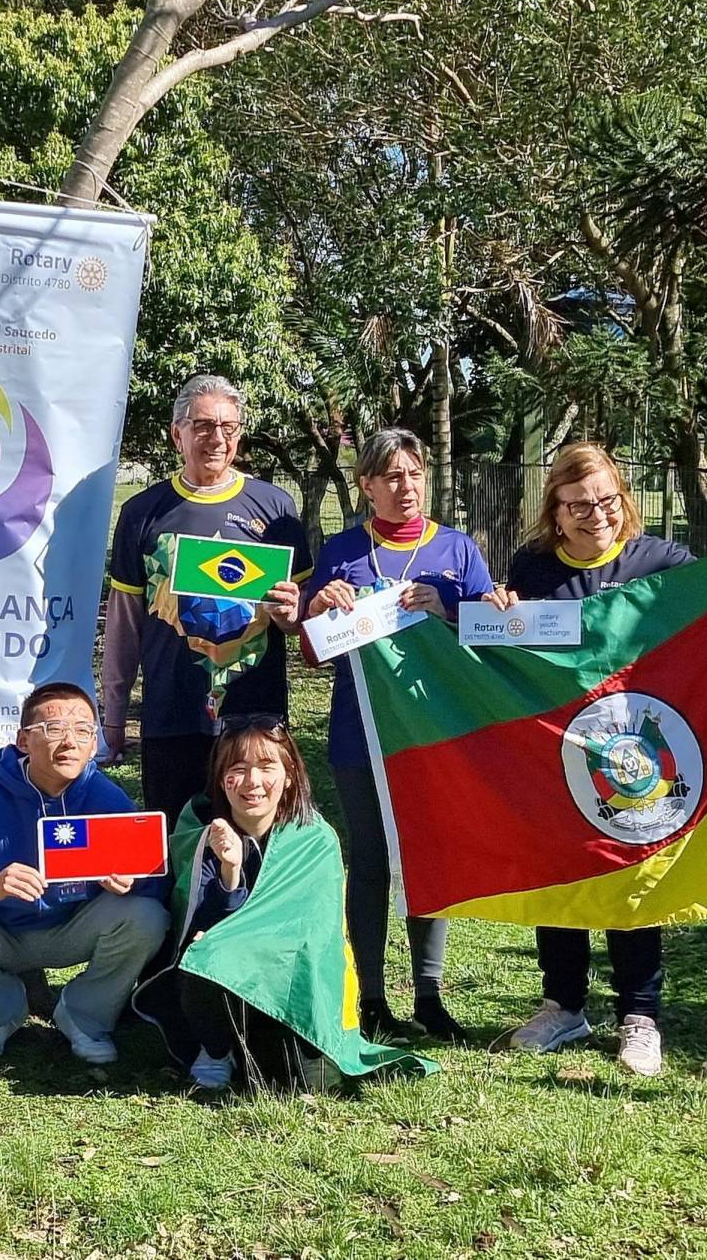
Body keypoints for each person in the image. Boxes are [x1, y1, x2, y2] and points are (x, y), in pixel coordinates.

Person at [488, 443, 707, 1077]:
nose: (593, 514)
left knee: (635, 873)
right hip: (562, 748)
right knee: (561, 868)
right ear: (556, 509)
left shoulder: (662, 561)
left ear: (621, 497)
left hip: (643, 750)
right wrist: (498, 613)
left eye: (605, 500)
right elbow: (513, 653)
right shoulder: (534, 568)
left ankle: (640, 1016)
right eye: (577, 505)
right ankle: (563, 1005)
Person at [302, 428, 501, 1045]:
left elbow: (491, 637)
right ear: (365, 487)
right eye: (390, 476)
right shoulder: (341, 551)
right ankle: (369, 996)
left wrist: (451, 609)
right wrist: (316, 609)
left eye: (414, 473)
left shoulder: (459, 550)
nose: (405, 486)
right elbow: (312, 653)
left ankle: (430, 995)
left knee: (426, 853)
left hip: (433, 729)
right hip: (360, 728)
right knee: (369, 858)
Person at [0, 682, 170, 1066]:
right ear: (24, 741)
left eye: (83, 730)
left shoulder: (106, 798)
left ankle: (83, 1016)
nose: (70, 742)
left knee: (147, 917)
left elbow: (158, 879)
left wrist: (133, 881)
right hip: (1, 934)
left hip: (72, 928)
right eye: (54, 729)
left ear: (94, 743)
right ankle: (0, 1013)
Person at [103, 375, 309, 816]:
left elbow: (301, 617)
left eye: (229, 427)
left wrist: (293, 613)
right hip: (171, 717)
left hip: (255, 717)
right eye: (203, 426)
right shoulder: (142, 513)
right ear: (177, 434)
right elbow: (124, 627)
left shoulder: (276, 509)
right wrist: (114, 714)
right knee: (177, 849)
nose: (217, 438)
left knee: (253, 847)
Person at [133, 716, 324, 1090]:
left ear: (289, 777)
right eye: (238, 769)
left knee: (305, 1080)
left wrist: (255, 942)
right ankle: (215, 1047)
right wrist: (230, 870)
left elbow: (314, 929)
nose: (253, 782)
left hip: (288, 973)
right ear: (222, 779)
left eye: (267, 767)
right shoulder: (201, 829)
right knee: (206, 952)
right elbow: (193, 919)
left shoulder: (313, 837)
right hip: (219, 975)